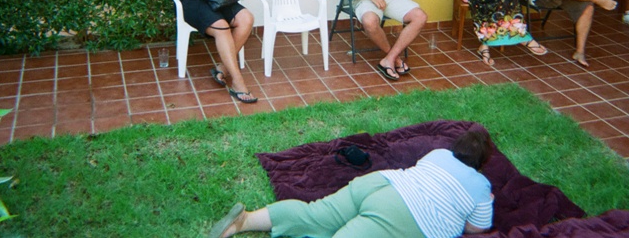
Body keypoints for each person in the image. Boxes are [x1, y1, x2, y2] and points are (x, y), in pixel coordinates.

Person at [208, 129, 494, 238]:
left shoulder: (438, 154)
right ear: (481, 163)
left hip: (381, 182)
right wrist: (488, 202)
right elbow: (476, 228)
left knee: (315, 214)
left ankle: (245, 221)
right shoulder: (481, 186)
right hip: (403, 215)